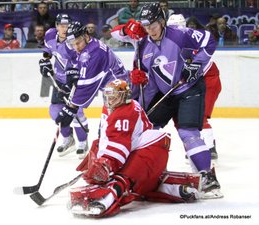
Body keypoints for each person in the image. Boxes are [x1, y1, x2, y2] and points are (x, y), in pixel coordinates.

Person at [111, 3, 223, 199]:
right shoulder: (143, 43)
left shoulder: (179, 34)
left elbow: (210, 41)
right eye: (146, 26)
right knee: (146, 128)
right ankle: (142, 171)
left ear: (162, 21)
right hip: (165, 94)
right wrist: (142, 101)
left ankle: (207, 177)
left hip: (189, 89)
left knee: (188, 132)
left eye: (153, 25)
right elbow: (115, 34)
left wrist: (195, 64)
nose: (150, 30)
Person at [68, 79, 201, 217]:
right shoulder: (113, 107)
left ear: (124, 96)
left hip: (149, 153)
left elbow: (120, 144)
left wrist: (107, 163)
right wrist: (97, 155)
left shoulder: (125, 111)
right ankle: (176, 188)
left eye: (114, 96)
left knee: (122, 180)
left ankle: (104, 201)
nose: (110, 100)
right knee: (139, 185)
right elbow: (108, 136)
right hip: (142, 153)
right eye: (107, 96)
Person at [54, 22, 129, 133]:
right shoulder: (87, 46)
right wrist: (67, 86)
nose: (76, 48)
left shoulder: (95, 53)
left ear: (86, 36)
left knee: (110, 133)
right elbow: (77, 64)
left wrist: (71, 108)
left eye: (78, 43)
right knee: (106, 132)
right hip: (112, 92)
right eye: (73, 44)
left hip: (120, 94)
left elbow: (87, 85)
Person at [168, 15, 222, 160]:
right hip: (197, 80)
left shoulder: (191, 40)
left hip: (209, 79)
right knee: (185, 117)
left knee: (200, 115)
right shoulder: (171, 44)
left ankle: (209, 147)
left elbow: (197, 66)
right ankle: (197, 146)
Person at [39, 14, 89, 157]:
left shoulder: (73, 42)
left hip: (74, 81)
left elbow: (79, 61)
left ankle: (83, 142)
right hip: (59, 80)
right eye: (61, 25)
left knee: (75, 112)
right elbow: (48, 51)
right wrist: (45, 61)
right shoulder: (49, 35)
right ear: (56, 26)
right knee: (55, 112)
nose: (64, 28)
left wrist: (72, 81)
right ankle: (68, 139)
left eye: (67, 25)